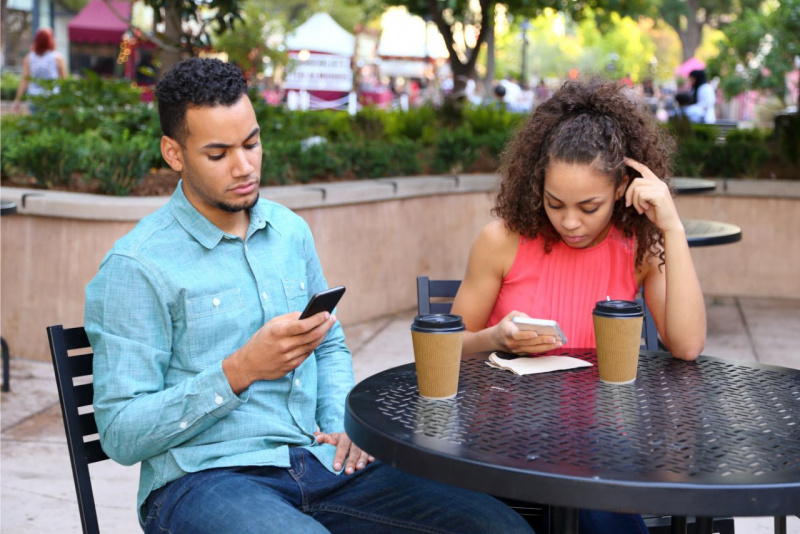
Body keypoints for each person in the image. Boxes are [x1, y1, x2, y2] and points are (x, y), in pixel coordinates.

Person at [84, 57, 533, 534]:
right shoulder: (138, 266)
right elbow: (120, 433)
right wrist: (240, 370)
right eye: (218, 154)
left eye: (252, 144)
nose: (244, 166)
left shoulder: (288, 232)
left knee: (498, 527)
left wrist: (340, 421)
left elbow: (331, 343)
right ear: (174, 153)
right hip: (205, 479)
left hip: (319, 463)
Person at [451, 79, 706, 531]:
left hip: (605, 438)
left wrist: (672, 229)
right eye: (555, 204)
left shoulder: (637, 247)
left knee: (595, 487)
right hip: (506, 436)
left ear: (623, 189)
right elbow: (444, 350)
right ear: (537, 187)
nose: (570, 222)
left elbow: (686, 346)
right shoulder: (501, 241)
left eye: (590, 207)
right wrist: (496, 338)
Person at [12, 27, 66, 113]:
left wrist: (17, 100)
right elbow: (64, 82)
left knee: (35, 125)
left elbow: (24, 80)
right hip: (52, 99)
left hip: (34, 99)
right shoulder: (58, 58)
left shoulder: (29, 58)